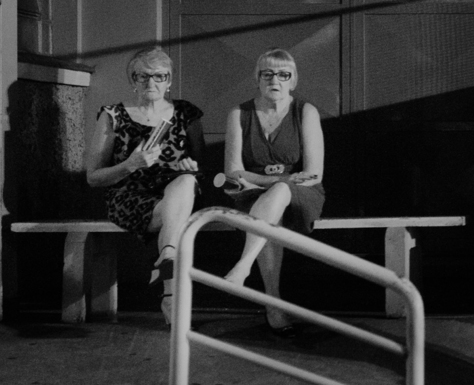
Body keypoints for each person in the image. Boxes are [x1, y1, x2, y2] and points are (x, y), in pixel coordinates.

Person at [86, 46, 204, 324]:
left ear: (169, 80)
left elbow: (201, 166)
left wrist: (192, 167)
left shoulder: (186, 113)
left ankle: (168, 258)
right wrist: (130, 164)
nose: (151, 83)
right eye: (142, 77)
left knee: (186, 183)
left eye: (159, 76)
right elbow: (93, 177)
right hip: (128, 198)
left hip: (176, 193)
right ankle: (171, 291)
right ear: (132, 81)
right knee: (174, 218)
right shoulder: (113, 115)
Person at [222, 49, 325, 335]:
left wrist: (272, 181)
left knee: (279, 193)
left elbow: (314, 174)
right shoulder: (238, 114)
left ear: (293, 81)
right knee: (272, 208)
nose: (274, 80)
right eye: (267, 73)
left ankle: (243, 267)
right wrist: (279, 179)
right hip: (251, 195)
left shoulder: (305, 111)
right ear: (257, 79)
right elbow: (233, 172)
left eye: (283, 74)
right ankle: (272, 303)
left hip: (301, 194)